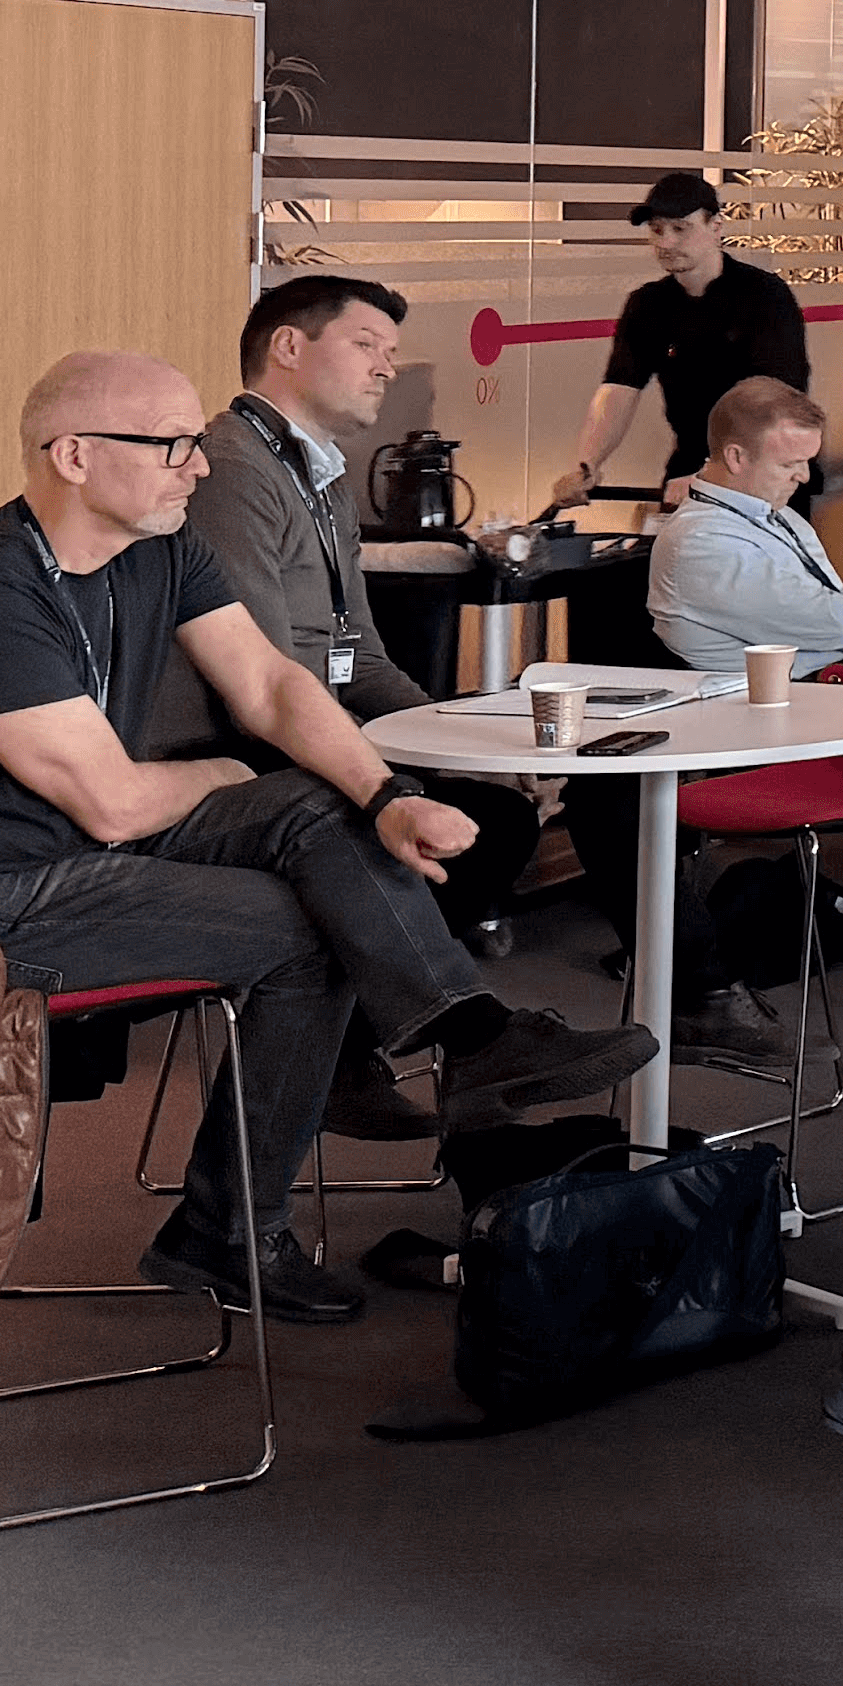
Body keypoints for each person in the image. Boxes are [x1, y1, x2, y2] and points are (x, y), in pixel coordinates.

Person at [0, 353, 652, 1322]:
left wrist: (386, 799)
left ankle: (471, 1034)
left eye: (196, 445)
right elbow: (115, 805)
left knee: (318, 808)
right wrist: (225, 772)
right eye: (170, 446)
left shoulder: (158, 548)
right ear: (73, 455)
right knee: (305, 922)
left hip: (83, 854)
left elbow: (273, 685)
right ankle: (229, 1226)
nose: (197, 467)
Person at [164, 280, 555, 1136]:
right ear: (289, 349)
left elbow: (362, 658)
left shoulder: (321, 477)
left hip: (308, 735)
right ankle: (398, 1057)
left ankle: (368, 1054)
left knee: (491, 814)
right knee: (427, 829)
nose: (389, 365)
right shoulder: (233, 468)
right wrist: (405, 776)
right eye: (368, 344)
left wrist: (462, 742)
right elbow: (260, 679)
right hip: (245, 752)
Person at [646, 380, 843, 678]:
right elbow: (819, 622)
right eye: (789, 464)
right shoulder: (698, 542)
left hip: (838, 680)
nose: (804, 476)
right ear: (736, 457)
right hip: (788, 702)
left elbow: (827, 609)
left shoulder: (778, 515)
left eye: (807, 462)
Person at [551, 169, 808, 508]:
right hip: (690, 466)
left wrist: (716, 475)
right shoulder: (648, 305)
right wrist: (586, 467)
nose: (666, 242)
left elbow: (778, 402)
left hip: (766, 474)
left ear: (715, 228)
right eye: (657, 230)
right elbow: (618, 389)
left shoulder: (764, 296)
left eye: (680, 229)